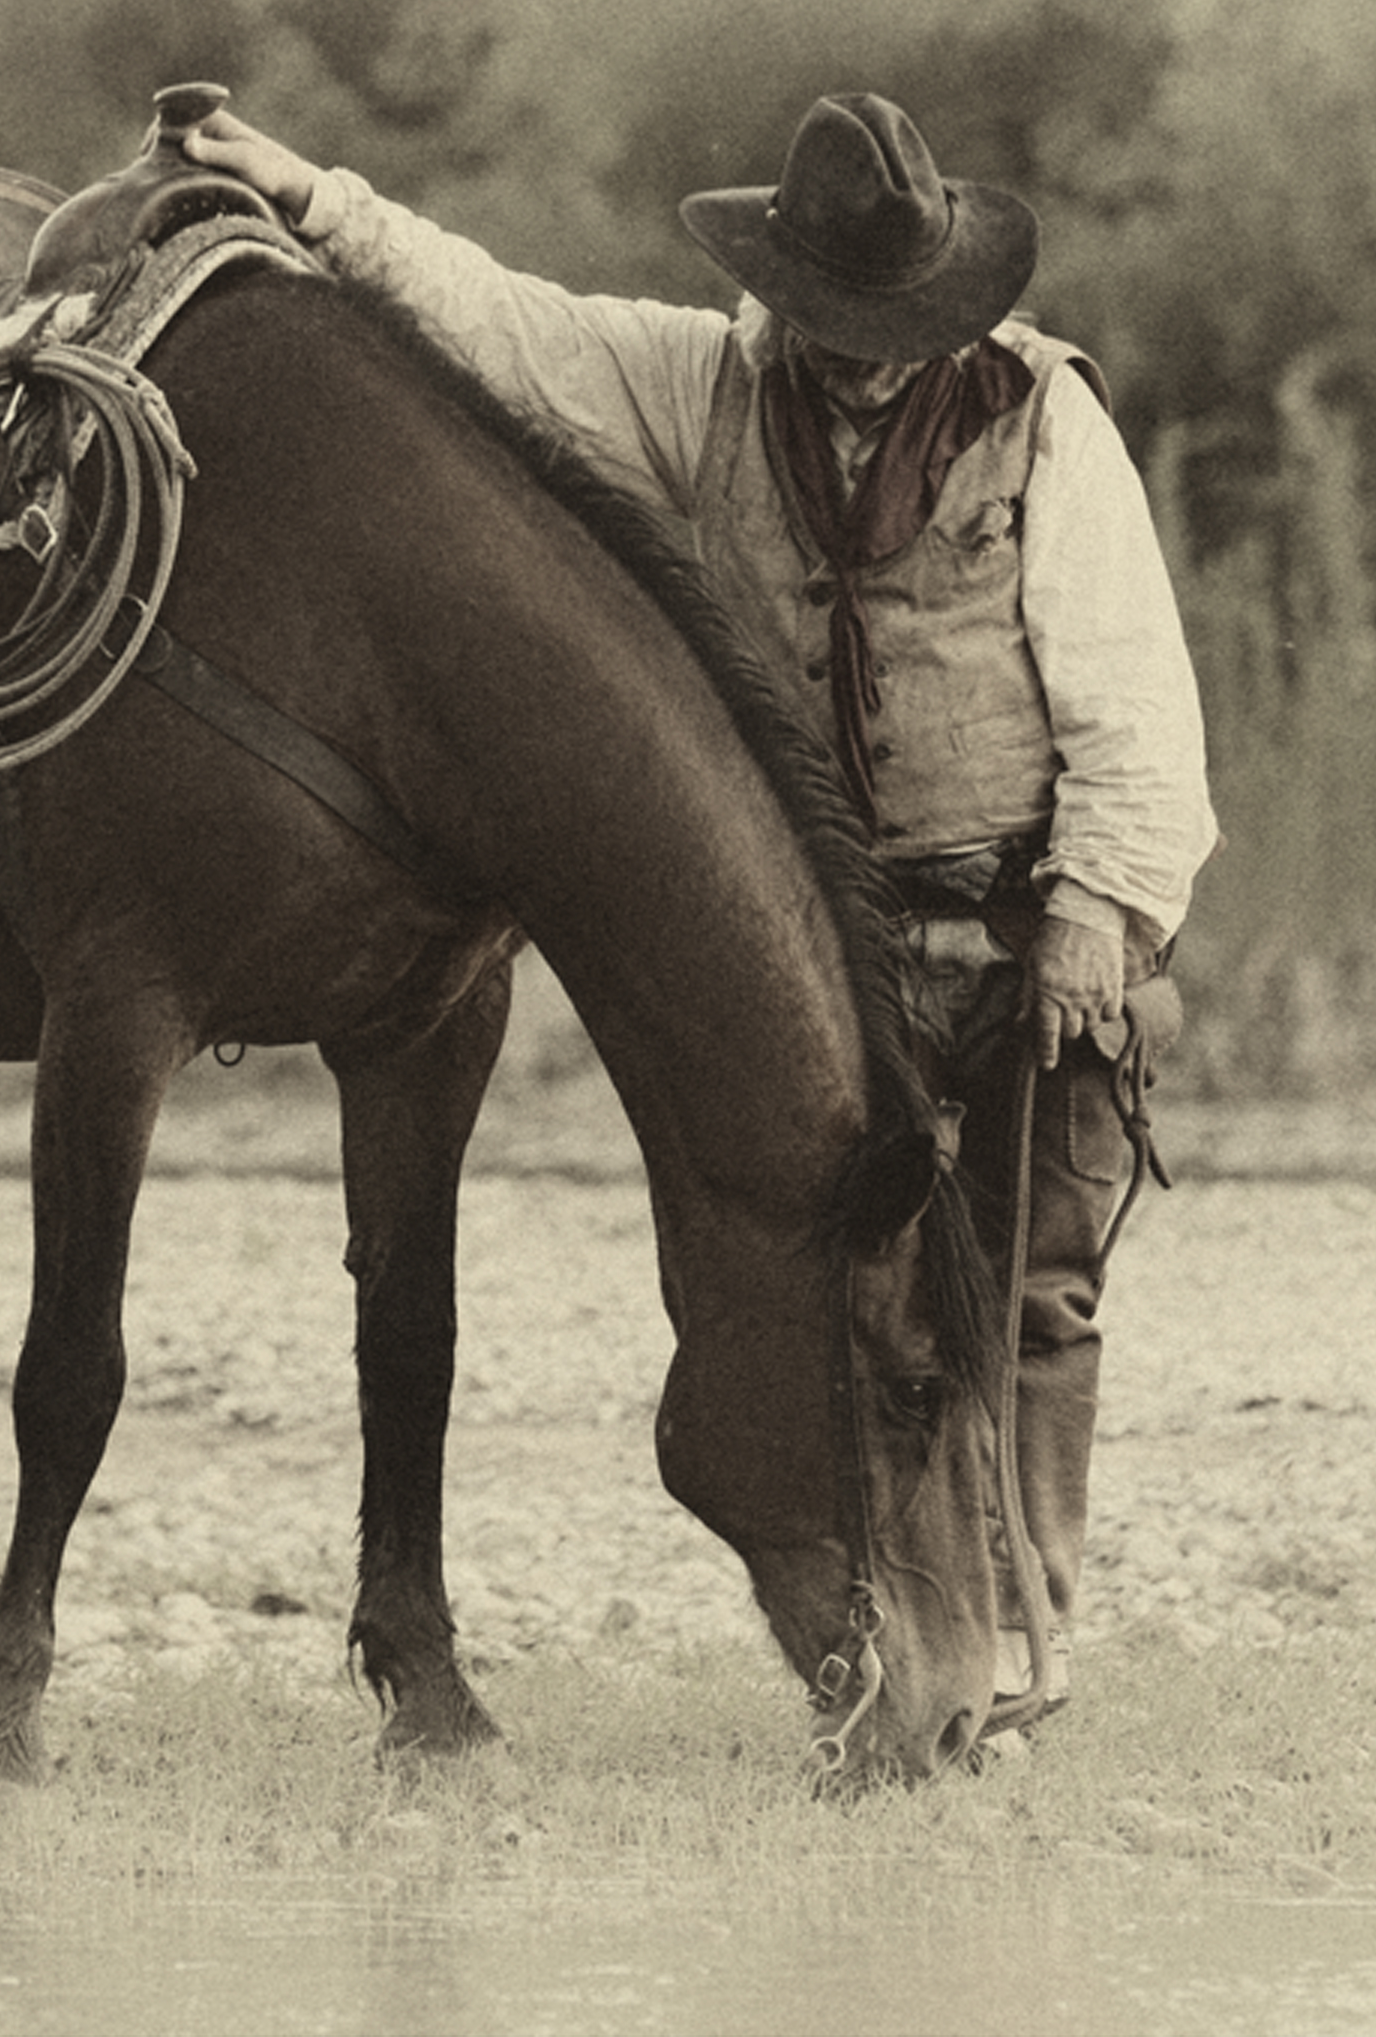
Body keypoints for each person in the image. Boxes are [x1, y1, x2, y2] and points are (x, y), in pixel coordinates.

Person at [187, 91, 1220, 1725]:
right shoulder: (702, 384)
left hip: (1026, 926)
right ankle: (899, 1642)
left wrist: (1099, 906)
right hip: (827, 946)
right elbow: (507, 324)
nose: (866, 359)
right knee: (863, 1313)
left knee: (1033, 1296)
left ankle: (1025, 1644)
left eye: (897, 329)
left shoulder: (1044, 421)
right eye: (837, 326)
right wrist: (318, 198)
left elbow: (1135, 706)